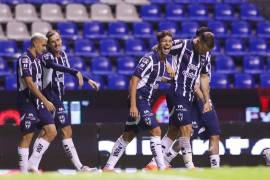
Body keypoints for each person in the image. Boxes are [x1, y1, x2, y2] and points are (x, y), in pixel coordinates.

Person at [28, 30, 99, 172]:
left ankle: (31, 165)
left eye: (58, 40)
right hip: (49, 97)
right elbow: (57, 67)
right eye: (53, 41)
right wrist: (74, 72)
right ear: (48, 44)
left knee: (46, 132)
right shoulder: (45, 56)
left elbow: (68, 69)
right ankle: (80, 167)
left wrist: (87, 79)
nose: (57, 43)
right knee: (66, 131)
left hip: (57, 97)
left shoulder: (63, 55)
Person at [103, 31, 174, 171]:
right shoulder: (149, 59)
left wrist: (169, 78)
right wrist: (134, 105)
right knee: (156, 130)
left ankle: (108, 167)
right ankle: (161, 167)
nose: (168, 44)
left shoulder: (163, 61)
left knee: (128, 135)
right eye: (164, 41)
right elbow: (134, 80)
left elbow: (155, 77)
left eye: (170, 41)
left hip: (146, 101)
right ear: (159, 43)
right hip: (140, 99)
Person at [146, 27, 215, 169]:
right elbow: (157, 48)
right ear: (198, 41)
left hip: (188, 96)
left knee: (173, 131)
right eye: (204, 48)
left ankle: (154, 163)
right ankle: (190, 165)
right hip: (177, 92)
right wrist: (167, 64)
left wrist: (206, 100)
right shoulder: (183, 45)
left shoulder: (205, 55)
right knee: (187, 129)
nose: (205, 52)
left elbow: (203, 76)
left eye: (207, 50)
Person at [17, 33, 57, 173]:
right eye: (43, 45)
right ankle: (23, 173)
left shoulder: (38, 59)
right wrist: (45, 101)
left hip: (38, 101)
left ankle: (32, 164)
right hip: (27, 101)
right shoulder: (24, 59)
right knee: (27, 135)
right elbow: (29, 83)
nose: (45, 48)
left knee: (51, 131)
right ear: (35, 43)